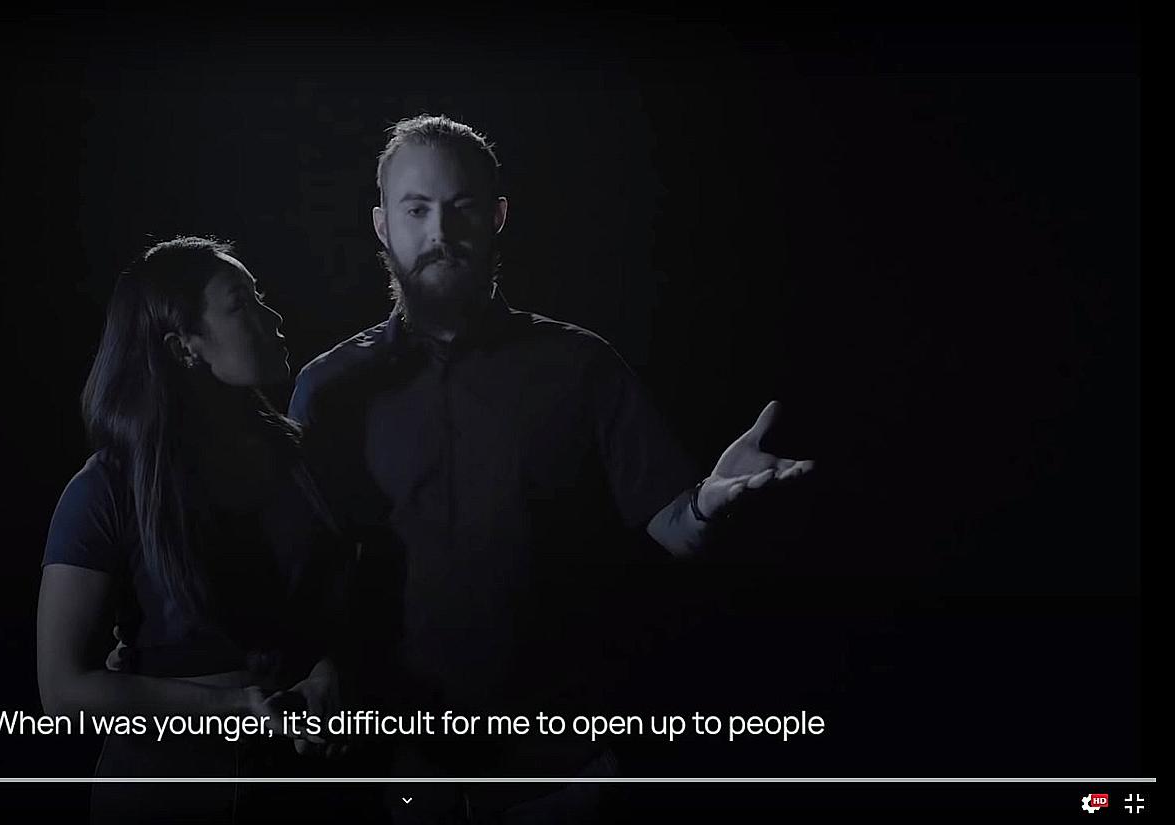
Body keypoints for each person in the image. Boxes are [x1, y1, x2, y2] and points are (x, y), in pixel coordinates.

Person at [289, 115, 816, 822]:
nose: (440, 231)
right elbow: (300, 570)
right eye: (417, 209)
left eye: (462, 205)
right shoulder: (328, 389)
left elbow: (673, 527)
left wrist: (707, 504)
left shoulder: (581, 366)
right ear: (383, 225)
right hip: (399, 774)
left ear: (498, 215)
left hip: (559, 771)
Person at [37, 236, 350, 824]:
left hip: (299, 785)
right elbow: (61, 691)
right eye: (242, 303)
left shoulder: (300, 463)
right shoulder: (105, 491)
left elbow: (340, 608)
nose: (273, 317)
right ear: (184, 347)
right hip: (166, 791)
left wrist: (327, 675)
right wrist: (232, 706)